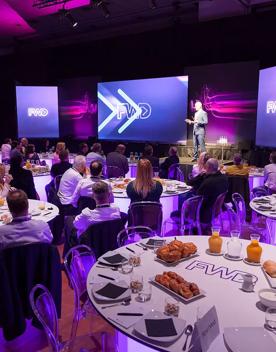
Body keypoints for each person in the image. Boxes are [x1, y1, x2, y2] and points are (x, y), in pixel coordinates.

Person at [196, 158, 228, 224]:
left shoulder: (208, 182)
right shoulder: (225, 178)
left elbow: (198, 195)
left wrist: (200, 176)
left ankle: (186, 223)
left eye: (206, 166)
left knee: (183, 198)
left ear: (208, 167)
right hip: (217, 208)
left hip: (206, 212)